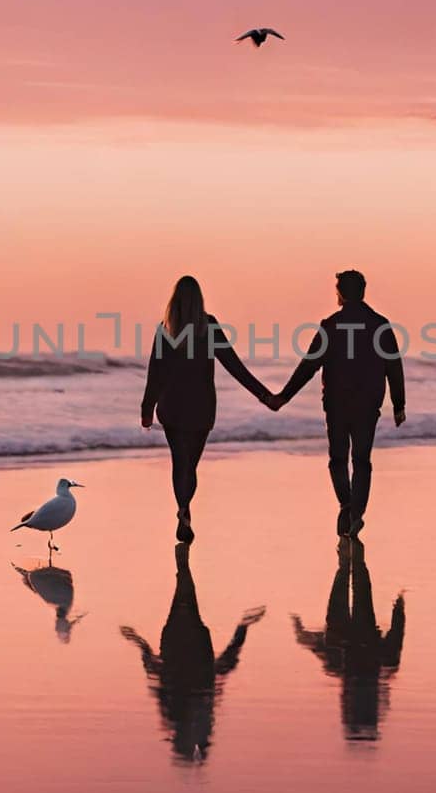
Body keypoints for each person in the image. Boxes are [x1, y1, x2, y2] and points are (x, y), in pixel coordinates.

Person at [268, 269, 406, 537]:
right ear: (363, 292)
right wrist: (399, 404)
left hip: (337, 403)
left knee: (338, 458)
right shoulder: (381, 325)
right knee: (362, 460)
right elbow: (394, 367)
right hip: (367, 403)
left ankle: (346, 504)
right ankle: (357, 513)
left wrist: (284, 396)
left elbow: (309, 365)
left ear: (340, 294)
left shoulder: (330, 325)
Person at [141, 275, 274, 543]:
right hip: (201, 406)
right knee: (191, 465)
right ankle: (184, 509)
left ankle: (183, 509)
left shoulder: (165, 329)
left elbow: (155, 374)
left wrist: (147, 408)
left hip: (173, 406)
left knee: (180, 462)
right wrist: (264, 395)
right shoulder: (209, 327)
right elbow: (234, 366)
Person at [119, 544, 267, 764]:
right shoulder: (197, 709)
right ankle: (182, 561)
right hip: (188, 639)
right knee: (185, 591)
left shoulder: (182, 708)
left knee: (184, 591)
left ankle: (183, 561)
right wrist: (242, 628)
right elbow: (222, 666)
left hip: (181, 639)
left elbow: (155, 671)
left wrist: (139, 642)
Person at [291, 538, 406, 742]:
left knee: (351, 575)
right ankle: (350, 539)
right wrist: (399, 606)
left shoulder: (344, 665)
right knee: (352, 576)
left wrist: (399, 607)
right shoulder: (378, 664)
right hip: (355, 633)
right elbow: (396, 634)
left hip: (349, 633)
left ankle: (350, 539)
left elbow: (396, 634)